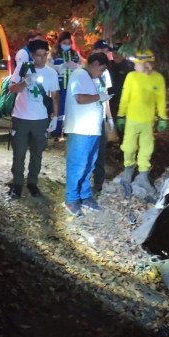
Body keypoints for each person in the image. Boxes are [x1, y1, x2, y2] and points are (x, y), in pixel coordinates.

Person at [8, 39, 60, 198]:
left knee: (37, 153)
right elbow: (11, 89)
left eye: (45, 55)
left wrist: (55, 117)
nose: (42, 59)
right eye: (38, 56)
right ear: (31, 55)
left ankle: (32, 182)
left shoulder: (51, 72)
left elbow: (55, 96)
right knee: (19, 153)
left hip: (41, 119)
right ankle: (17, 183)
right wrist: (25, 82)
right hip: (21, 117)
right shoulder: (22, 68)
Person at [63, 52, 111, 216]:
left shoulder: (92, 78)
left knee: (89, 165)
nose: (102, 73)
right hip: (80, 129)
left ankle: (85, 195)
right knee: (77, 165)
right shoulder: (80, 74)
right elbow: (80, 99)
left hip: (92, 130)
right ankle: (71, 199)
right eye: (102, 69)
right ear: (96, 63)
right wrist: (100, 96)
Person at [116, 49, 168, 196]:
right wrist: (121, 115)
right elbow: (125, 97)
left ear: (147, 64)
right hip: (132, 119)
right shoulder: (131, 77)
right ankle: (127, 173)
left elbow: (161, 100)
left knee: (147, 149)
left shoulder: (158, 78)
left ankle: (143, 176)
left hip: (148, 121)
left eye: (137, 63)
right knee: (129, 147)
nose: (134, 66)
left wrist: (163, 117)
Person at [89, 40, 115, 194]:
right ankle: (83, 184)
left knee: (100, 153)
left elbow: (106, 97)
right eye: (105, 51)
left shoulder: (105, 72)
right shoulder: (83, 72)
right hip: (86, 120)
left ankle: (98, 183)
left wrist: (109, 118)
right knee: (88, 152)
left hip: (99, 118)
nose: (107, 54)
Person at [49, 31, 81, 138]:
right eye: (64, 42)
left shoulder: (74, 54)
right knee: (59, 107)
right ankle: (57, 130)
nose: (66, 45)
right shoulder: (54, 53)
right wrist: (59, 67)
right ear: (60, 42)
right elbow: (48, 66)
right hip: (59, 85)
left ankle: (68, 129)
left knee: (70, 108)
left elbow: (80, 65)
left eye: (68, 43)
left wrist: (75, 65)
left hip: (71, 85)